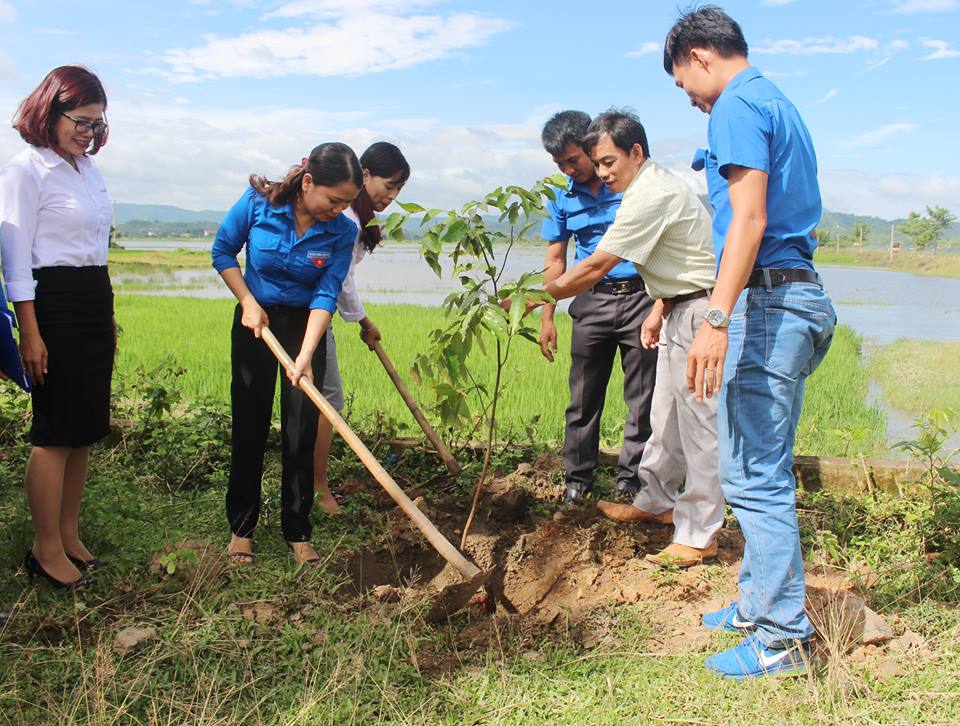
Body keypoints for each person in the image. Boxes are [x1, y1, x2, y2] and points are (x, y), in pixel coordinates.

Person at [664, 6, 836, 678]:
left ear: (702, 55)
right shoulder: (776, 101)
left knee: (756, 477)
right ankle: (756, 604)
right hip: (795, 296)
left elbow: (751, 217)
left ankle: (783, 638)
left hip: (769, 303)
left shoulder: (734, 105)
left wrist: (715, 317)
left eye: (685, 85)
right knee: (754, 463)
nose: (690, 98)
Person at [514, 110, 724, 568]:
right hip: (675, 304)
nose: (603, 172)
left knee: (698, 426)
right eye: (598, 163)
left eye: (609, 161)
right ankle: (655, 502)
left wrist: (529, 298)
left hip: (698, 311)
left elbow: (593, 266)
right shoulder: (637, 189)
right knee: (664, 414)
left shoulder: (650, 194)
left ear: (636, 152)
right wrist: (663, 306)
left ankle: (700, 531)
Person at [212, 143, 362, 566]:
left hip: (304, 327)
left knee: (301, 430)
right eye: (334, 200)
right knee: (250, 424)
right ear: (309, 182)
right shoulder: (259, 203)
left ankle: (297, 529)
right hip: (254, 321)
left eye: (348, 203)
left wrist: (307, 354)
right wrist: (246, 301)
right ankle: (241, 527)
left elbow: (326, 292)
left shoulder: (342, 232)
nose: (339, 210)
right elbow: (223, 251)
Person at [0, 66, 115, 589]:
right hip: (53, 302)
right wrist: (30, 330)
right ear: (49, 111)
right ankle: (44, 548)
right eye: (80, 121)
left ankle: (69, 534)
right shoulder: (26, 170)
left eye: (96, 124)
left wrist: (107, 312)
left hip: (93, 295)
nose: (88, 133)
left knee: (85, 428)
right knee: (54, 431)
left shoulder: (87, 170)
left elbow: (96, 245)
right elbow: (16, 259)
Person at [538, 111, 657, 504]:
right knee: (583, 396)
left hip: (641, 297)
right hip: (591, 300)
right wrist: (546, 315)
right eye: (560, 165)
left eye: (574, 160)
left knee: (642, 398)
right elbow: (556, 258)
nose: (569, 170)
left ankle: (631, 481)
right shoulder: (561, 195)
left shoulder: (630, 182)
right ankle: (578, 480)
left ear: (592, 148)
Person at [313, 142, 410, 515]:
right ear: (364, 174)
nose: (392, 195)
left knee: (319, 404)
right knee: (328, 404)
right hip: (314, 315)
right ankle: (318, 488)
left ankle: (312, 483)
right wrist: (365, 321)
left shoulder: (355, 214)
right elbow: (342, 280)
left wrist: (360, 321)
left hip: (319, 312)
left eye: (399, 189)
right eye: (389, 184)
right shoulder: (351, 219)